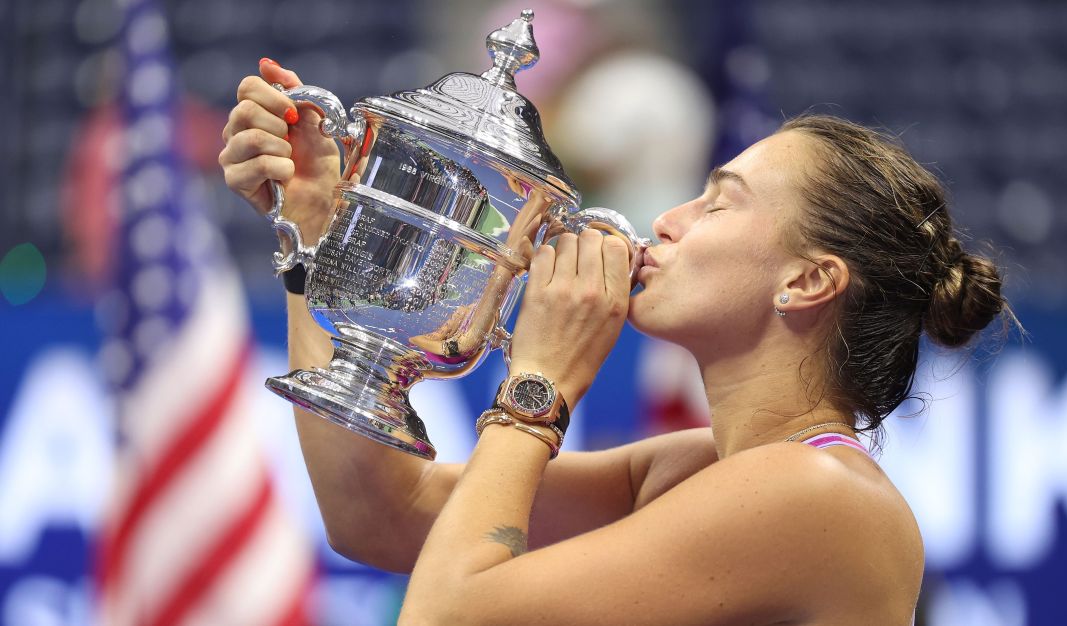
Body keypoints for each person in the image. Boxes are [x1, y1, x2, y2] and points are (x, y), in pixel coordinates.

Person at [220, 58, 1011, 625]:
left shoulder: (821, 496)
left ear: (807, 282)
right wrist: (319, 243)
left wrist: (539, 387)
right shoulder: (694, 469)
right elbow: (377, 514)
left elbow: (446, 613)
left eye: (717, 204)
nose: (668, 219)